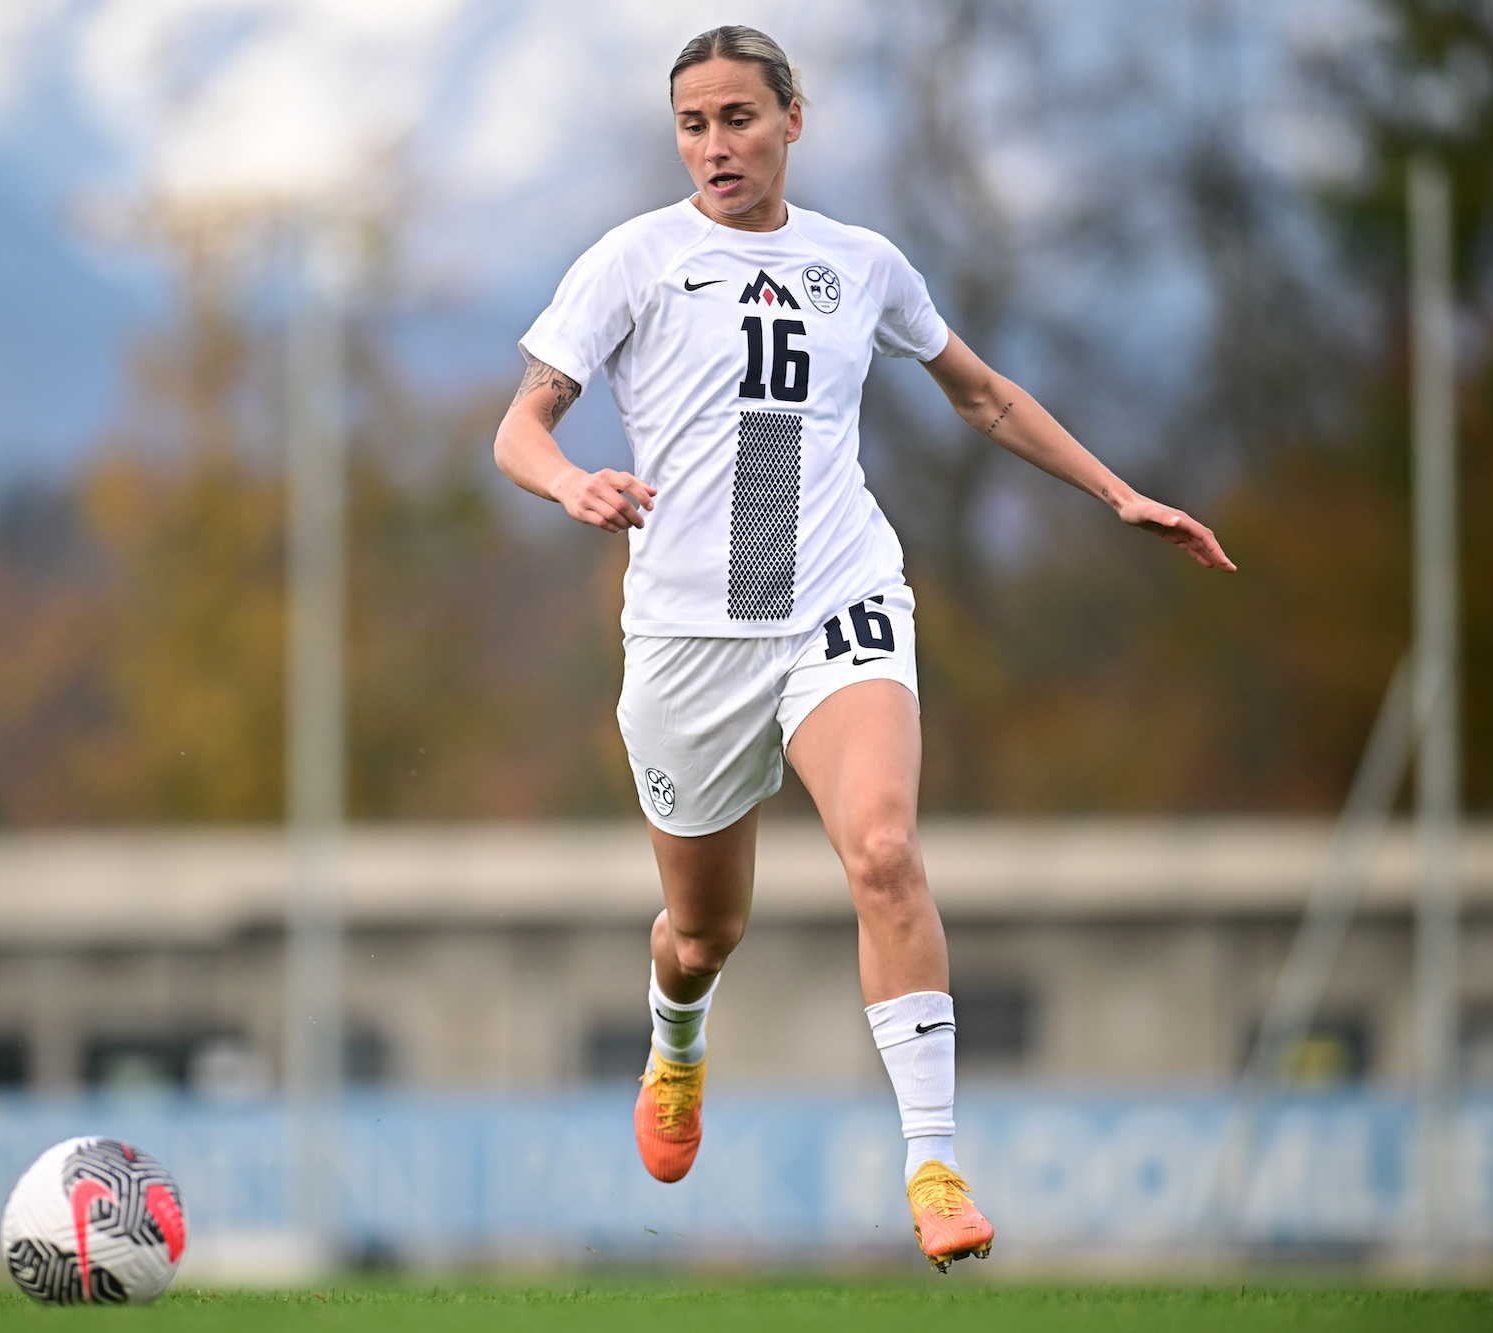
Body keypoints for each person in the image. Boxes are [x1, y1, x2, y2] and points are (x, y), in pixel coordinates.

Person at [494, 25, 1234, 1272]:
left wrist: (1116, 494)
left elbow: (981, 394)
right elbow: (518, 424)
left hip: (836, 599)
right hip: (688, 640)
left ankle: (933, 1165)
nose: (715, 145)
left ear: (793, 117)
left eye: (738, 117)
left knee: (883, 851)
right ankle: (677, 1040)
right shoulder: (633, 261)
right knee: (702, 933)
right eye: (692, 124)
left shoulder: (861, 264)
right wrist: (568, 480)